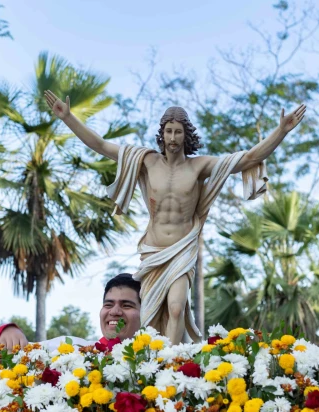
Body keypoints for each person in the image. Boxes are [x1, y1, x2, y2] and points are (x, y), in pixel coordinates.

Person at [44, 90, 305, 344]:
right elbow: (100, 145)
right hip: (153, 249)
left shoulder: (199, 166)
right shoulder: (146, 161)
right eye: (168, 131)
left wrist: (281, 130)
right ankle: (151, 358)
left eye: (178, 131)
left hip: (182, 248)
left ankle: (171, 362)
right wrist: (68, 117)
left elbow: (248, 158)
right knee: (149, 314)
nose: (173, 137)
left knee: (177, 308)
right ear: (162, 133)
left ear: (186, 135)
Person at [0, 273, 142, 353]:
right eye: (108, 304)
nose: (115, 311)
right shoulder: (72, 349)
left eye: (127, 305)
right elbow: (28, 353)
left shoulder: (160, 361)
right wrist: (6, 332)